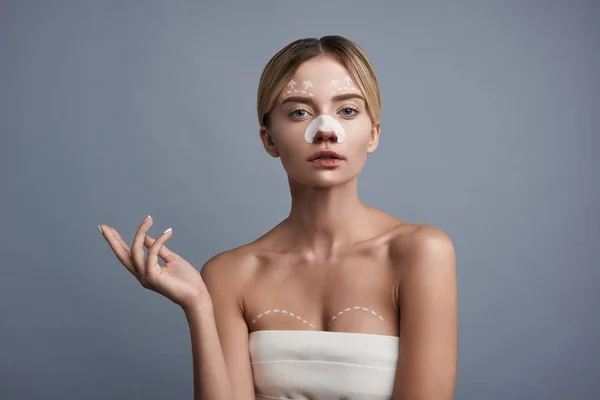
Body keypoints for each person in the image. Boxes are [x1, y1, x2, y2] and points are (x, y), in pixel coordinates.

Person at [99, 35, 458, 400]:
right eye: (299, 112)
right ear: (268, 139)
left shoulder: (420, 254)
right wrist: (198, 305)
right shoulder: (229, 275)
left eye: (347, 110)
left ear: (373, 134)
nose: (326, 132)